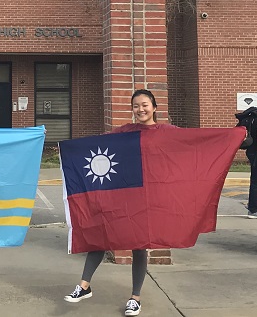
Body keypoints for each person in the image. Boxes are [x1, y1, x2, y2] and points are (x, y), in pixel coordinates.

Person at [63, 89, 175, 317]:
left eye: (145, 105)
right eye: (136, 106)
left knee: (139, 244)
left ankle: (135, 298)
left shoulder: (166, 132)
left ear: (154, 107)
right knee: (101, 233)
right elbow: (98, 147)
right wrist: (69, 149)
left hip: (148, 195)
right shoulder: (125, 132)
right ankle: (84, 286)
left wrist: (234, 136)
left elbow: (194, 143)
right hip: (123, 193)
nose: (140, 109)